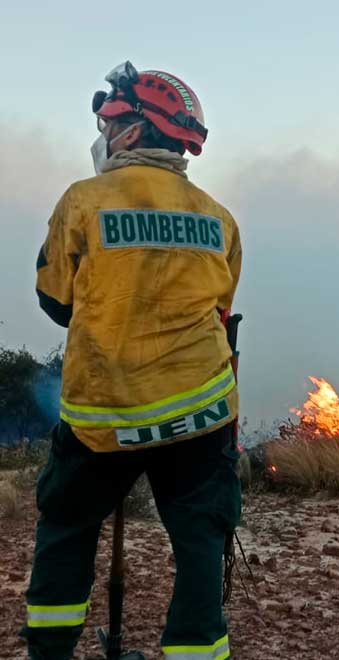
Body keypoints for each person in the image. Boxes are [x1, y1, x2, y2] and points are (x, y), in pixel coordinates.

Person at [22, 61, 242, 660]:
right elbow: (220, 313)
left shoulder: (83, 202)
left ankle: (49, 649)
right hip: (200, 412)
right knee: (199, 541)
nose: (104, 132)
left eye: (111, 121)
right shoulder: (218, 217)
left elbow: (55, 300)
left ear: (134, 130)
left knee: (67, 529)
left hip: (103, 416)